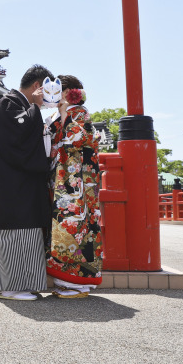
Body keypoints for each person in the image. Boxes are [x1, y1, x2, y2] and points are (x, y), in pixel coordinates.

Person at [0, 64, 54, 301]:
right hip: (13, 183)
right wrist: (36, 107)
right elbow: (18, 137)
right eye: (47, 89)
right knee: (16, 231)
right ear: (38, 86)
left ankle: (19, 285)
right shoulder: (8, 104)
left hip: (19, 181)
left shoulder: (17, 105)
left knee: (24, 231)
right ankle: (12, 288)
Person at [46, 75, 103, 299]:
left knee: (77, 228)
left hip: (78, 180)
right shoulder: (64, 113)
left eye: (60, 89)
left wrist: (62, 115)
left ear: (69, 91)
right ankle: (66, 281)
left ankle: (79, 283)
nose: (56, 93)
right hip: (65, 180)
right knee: (65, 227)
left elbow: (79, 137)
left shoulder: (79, 112)